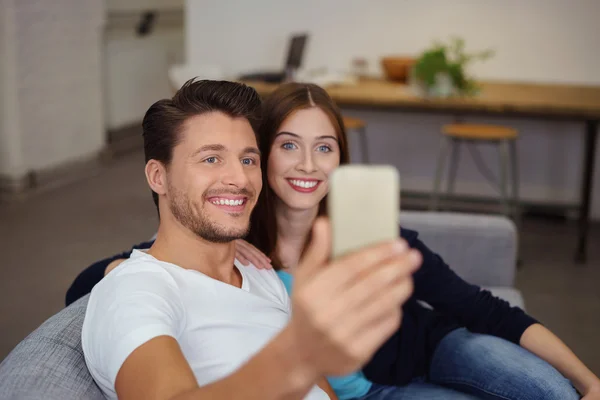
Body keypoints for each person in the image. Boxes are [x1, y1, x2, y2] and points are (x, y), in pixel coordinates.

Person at [72, 82, 600, 400]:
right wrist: (119, 266)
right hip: (373, 390)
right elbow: (110, 281)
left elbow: (483, 309)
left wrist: (587, 378)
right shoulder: (235, 242)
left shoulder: (359, 236)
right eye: (286, 147)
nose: (307, 165)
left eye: (324, 147)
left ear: (341, 157)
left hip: (428, 347)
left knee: (551, 390)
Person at [80, 79, 420, 400]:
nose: (239, 178)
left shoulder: (260, 275)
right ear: (158, 176)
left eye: (248, 159)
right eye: (211, 159)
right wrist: (295, 353)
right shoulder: (135, 290)